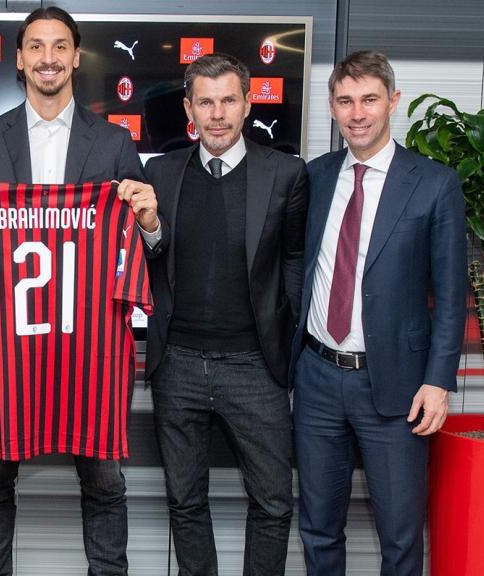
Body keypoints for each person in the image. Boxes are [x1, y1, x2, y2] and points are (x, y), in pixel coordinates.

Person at [0, 7, 162, 575]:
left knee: (105, 479)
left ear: (77, 56)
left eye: (60, 46)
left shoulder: (112, 141)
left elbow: (147, 245)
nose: (48, 57)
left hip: (90, 348)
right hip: (5, 350)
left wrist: (151, 223)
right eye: (36, 46)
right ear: (19, 59)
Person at [292, 50, 466, 576]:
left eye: (369, 99)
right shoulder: (316, 176)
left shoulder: (434, 183)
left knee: (400, 536)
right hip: (317, 378)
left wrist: (438, 382)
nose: (358, 113)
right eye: (345, 101)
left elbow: (452, 295)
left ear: (393, 101)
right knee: (318, 528)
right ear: (332, 107)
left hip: (397, 388)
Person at [142, 53, 307, 575]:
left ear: (247, 103)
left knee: (274, 502)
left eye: (229, 100)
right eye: (206, 102)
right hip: (178, 365)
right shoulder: (161, 173)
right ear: (189, 108)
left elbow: (296, 262)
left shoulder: (285, 173)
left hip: (255, 366)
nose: (218, 114)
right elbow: (146, 256)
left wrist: (292, 347)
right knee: (185, 503)